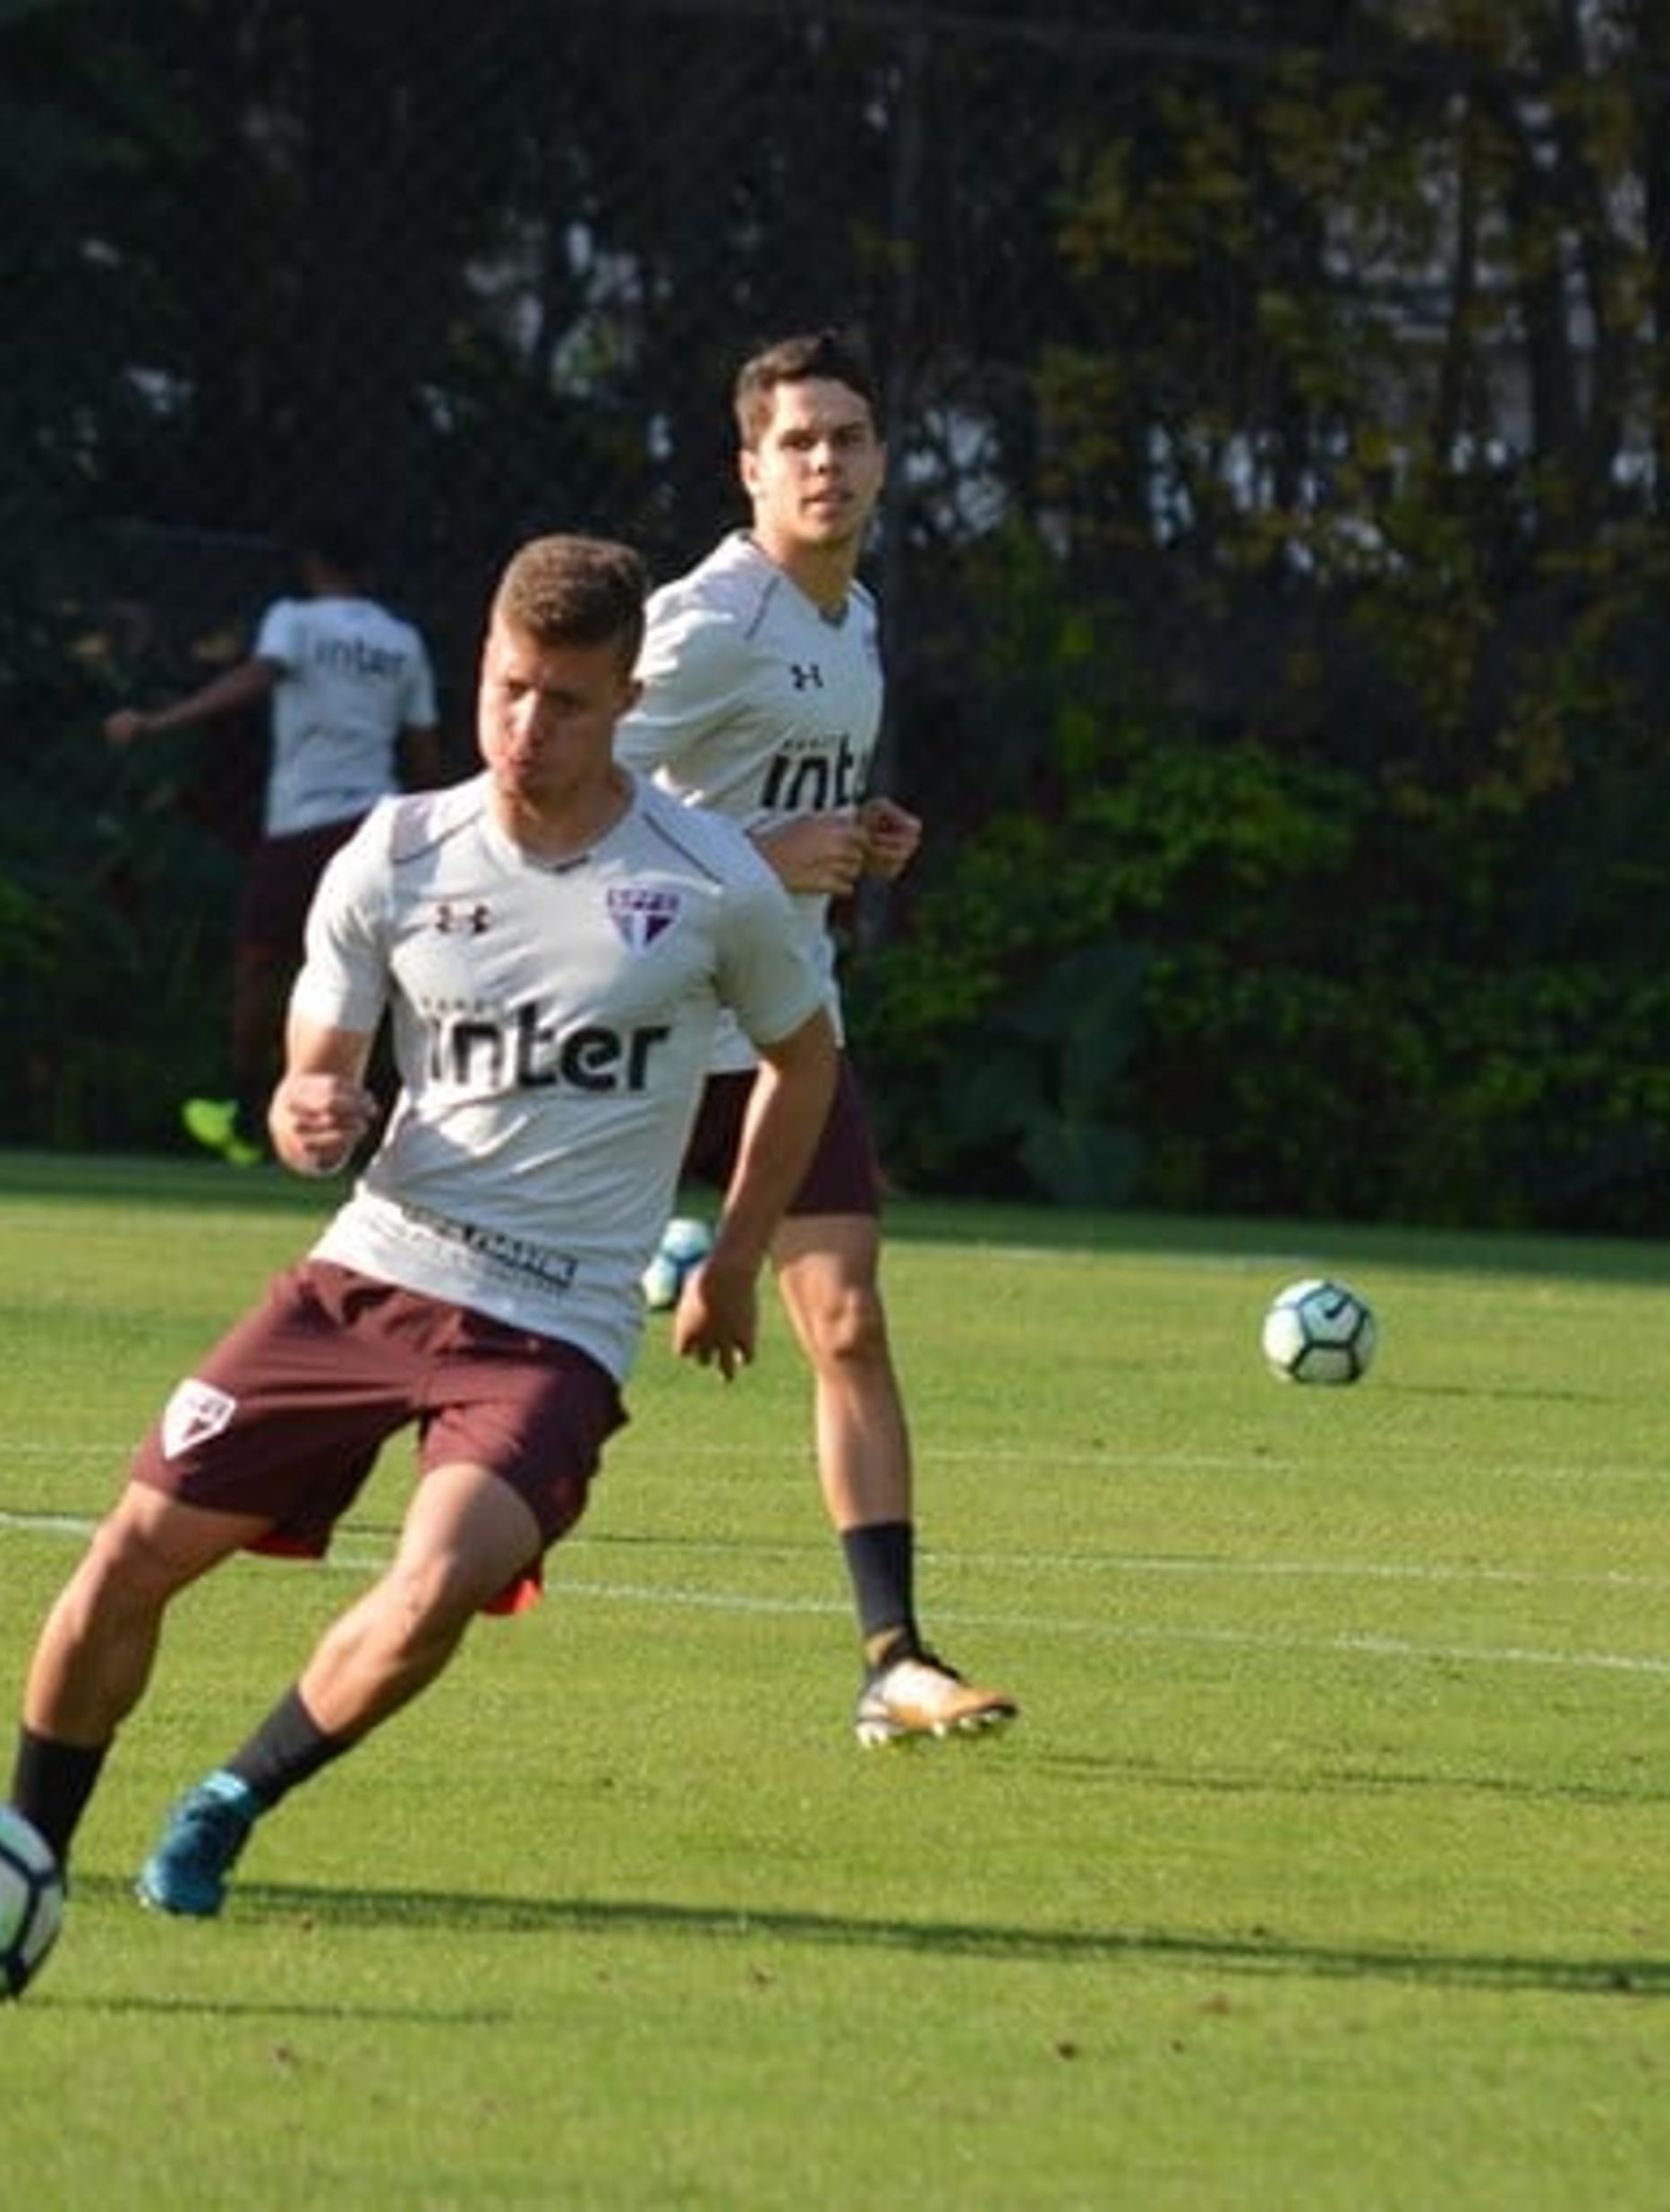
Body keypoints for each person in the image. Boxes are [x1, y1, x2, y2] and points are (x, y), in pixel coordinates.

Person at [10, 532, 842, 1916]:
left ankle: (228, 1800)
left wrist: (738, 1258)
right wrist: (305, 1112)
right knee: (124, 1562)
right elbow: (312, 1074)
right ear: (478, 672)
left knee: (442, 1575)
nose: (529, 725)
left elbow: (803, 1060)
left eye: (568, 701)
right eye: (509, 688)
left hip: (554, 1323)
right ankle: (23, 1862)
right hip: (369, 1273)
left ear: (629, 698)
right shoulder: (393, 854)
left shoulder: (711, 881)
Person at [617, 329, 1016, 1747]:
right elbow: (556, 788)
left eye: (848, 437)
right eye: (798, 442)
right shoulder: (712, 617)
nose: (826, 463)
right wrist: (761, 846)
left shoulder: (855, 620)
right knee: (509, 1323)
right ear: (749, 467)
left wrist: (862, 839)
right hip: (640, 1020)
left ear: (884, 460)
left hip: (787, 1022)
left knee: (846, 1319)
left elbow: (794, 819)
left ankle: (893, 1656)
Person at [105, 526, 439, 1166]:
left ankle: (245, 1107)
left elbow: (255, 677)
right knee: (393, 977)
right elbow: (423, 747)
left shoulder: (293, 620)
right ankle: (397, 1120)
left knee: (261, 962)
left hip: (303, 823)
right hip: (380, 826)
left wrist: (157, 722)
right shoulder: (402, 640)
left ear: (311, 562)